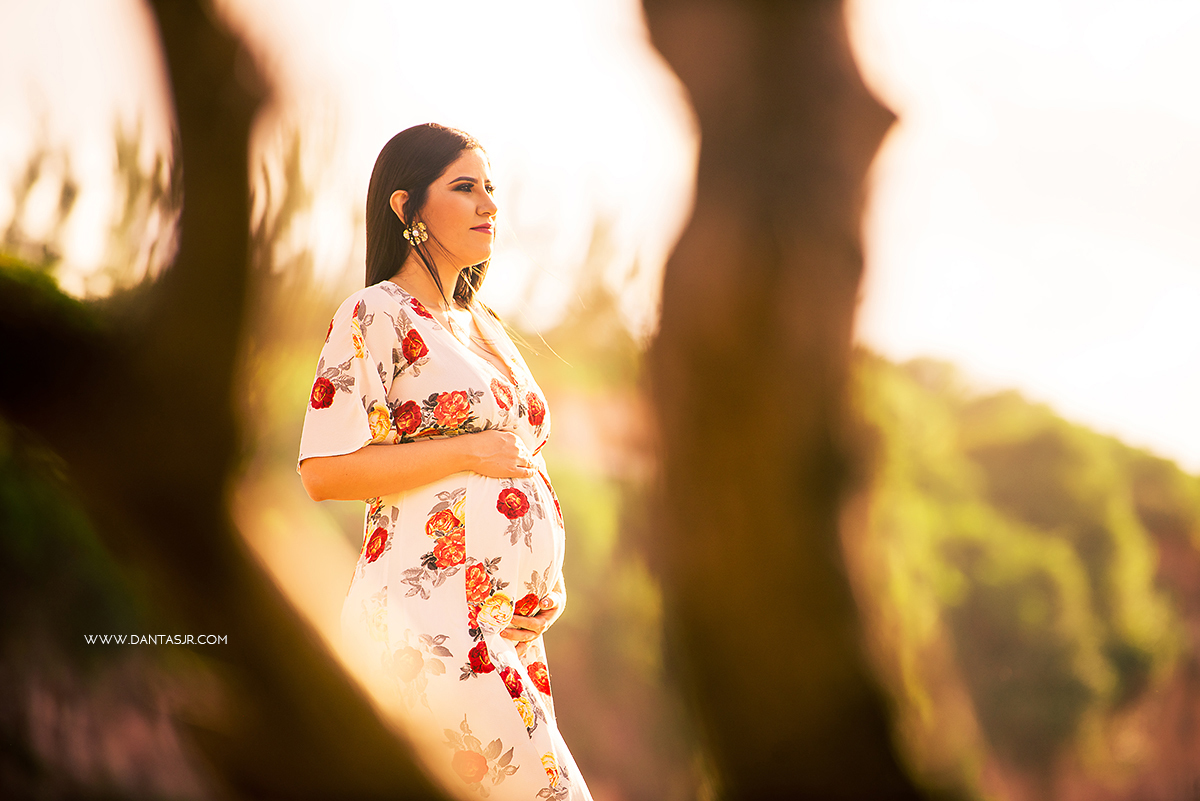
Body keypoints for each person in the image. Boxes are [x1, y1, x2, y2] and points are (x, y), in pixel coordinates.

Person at [297, 123, 592, 800]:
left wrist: (546, 589)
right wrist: (466, 450)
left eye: (491, 188)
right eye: (465, 188)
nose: (489, 204)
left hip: (502, 631)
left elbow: (523, 463)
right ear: (407, 208)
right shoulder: (375, 314)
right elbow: (323, 469)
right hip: (427, 624)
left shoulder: (483, 326)